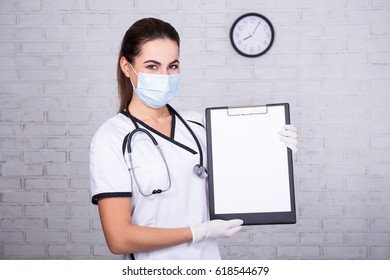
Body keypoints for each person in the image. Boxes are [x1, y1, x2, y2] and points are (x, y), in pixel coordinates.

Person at [90, 17, 298, 260]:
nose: (165, 75)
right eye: (152, 66)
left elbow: (237, 185)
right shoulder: (112, 138)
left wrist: (275, 157)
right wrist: (197, 232)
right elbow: (119, 239)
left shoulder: (197, 125)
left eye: (173, 65)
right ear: (127, 67)